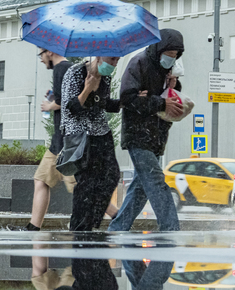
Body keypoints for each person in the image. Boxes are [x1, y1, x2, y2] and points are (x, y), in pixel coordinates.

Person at [108, 29, 185, 232]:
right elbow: (127, 97)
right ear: (160, 50)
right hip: (138, 135)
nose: (172, 59)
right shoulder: (139, 63)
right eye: (169, 55)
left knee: (140, 189)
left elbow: (168, 101)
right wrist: (159, 102)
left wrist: (173, 87)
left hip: (156, 137)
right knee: (156, 181)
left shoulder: (166, 73)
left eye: (175, 56)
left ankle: (117, 229)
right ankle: (171, 229)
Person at [61, 56, 122, 231]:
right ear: (99, 56)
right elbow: (70, 109)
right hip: (81, 135)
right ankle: (80, 227)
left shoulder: (106, 76)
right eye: (111, 59)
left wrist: (125, 101)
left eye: (117, 60)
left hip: (101, 132)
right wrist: (87, 89)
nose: (114, 64)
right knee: (86, 183)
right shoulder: (74, 73)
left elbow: (104, 103)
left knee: (111, 176)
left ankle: (93, 220)